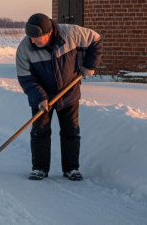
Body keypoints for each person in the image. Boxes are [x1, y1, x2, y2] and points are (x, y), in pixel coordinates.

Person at [15, 13, 102, 181]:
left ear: (49, 33)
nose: (33, 41)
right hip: (41, 96)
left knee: (71, 131)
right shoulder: (25, 48)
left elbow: (96, 40)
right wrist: (40, 98)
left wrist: (89, 65)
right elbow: (25, 78)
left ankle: (71, 169)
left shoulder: (71, 34)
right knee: (40, 132)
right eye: (31, 37)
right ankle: (39, 168)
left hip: (68, 93)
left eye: (37, 38)